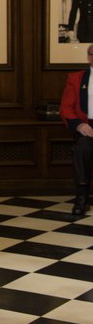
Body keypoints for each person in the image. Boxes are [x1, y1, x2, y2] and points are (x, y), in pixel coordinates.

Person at [60, 43, 93, 218]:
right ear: (89, 57)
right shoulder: (76, 78)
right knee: (82, 149)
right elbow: (66, 108)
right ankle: (81, 198)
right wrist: (80, 125)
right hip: (87, 127)